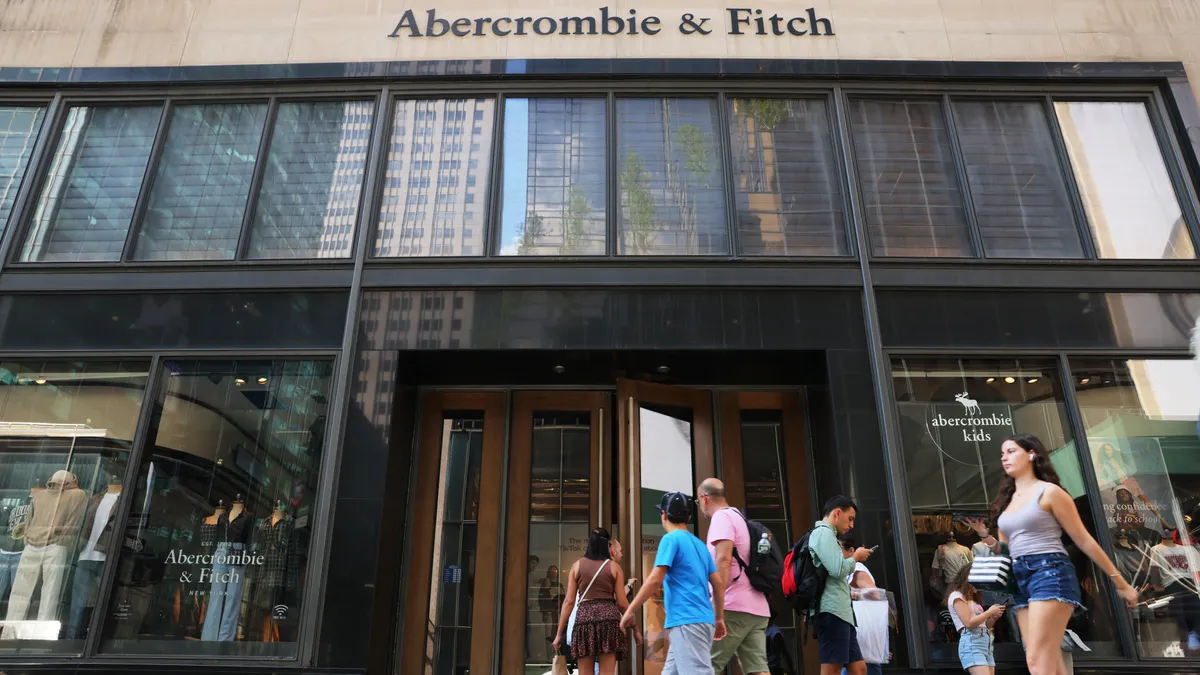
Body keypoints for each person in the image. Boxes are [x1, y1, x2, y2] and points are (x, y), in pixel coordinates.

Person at [971, 434, 1137, 675]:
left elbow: (1083, 539)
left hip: (1049, 572)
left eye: (1011, 451)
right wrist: (985, 537)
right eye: (1002, 453)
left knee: (1039, 661)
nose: (1004, 457)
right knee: (1044, 661)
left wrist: (1119, 583)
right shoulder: (1008, 500)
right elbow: (1005, 550)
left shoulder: (1050, 493)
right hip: (1020, 578)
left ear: (1031, 454)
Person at [620, 491, 727, 675]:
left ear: (664, 515)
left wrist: (630, 610)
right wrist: (718, 618)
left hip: (687, 620)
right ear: (689, 517)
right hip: (701, 619)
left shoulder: (670, 539)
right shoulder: (700, 545)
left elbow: (655, 579)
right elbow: (717, 583)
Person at [698, 477, 771, 675]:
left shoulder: (721, 518)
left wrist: (717, 607)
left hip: (732, 607)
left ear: (704, 499)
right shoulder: (739, 516)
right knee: (758, 670)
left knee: (704, 666)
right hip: (756, 608)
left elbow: (723, 559)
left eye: (698, 502)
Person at [552, 528, 634, 675]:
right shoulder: (614, 567)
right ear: (607, 546)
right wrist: (635, 628)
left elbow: (569, 602)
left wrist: (559, 634)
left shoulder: (577, 566)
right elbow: (622, 603)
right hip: (608, 620)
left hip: (584, 621)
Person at [809, 495, 874, 675]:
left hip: (841, 613)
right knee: (833, 668)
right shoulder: (823, 533)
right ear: (837, 513)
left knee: (859, 668)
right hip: (832, 611)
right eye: (850, 519)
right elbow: (837, 570)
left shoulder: (828, 535)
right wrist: (856, 557)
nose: (852, 525)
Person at [840, 537, 887, 675]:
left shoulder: (857, 569)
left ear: (851, 551)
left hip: (861, 632)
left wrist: (851, 593)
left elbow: (876, 594)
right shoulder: (849, 569)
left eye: (839, 549)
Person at [945, 566, 1004, 674]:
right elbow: (968, 623)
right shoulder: (956, 596)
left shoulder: (971, 599)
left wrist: (994, 617)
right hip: (972, 643)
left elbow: (984, 625)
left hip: (984, 642)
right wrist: (989, 612)